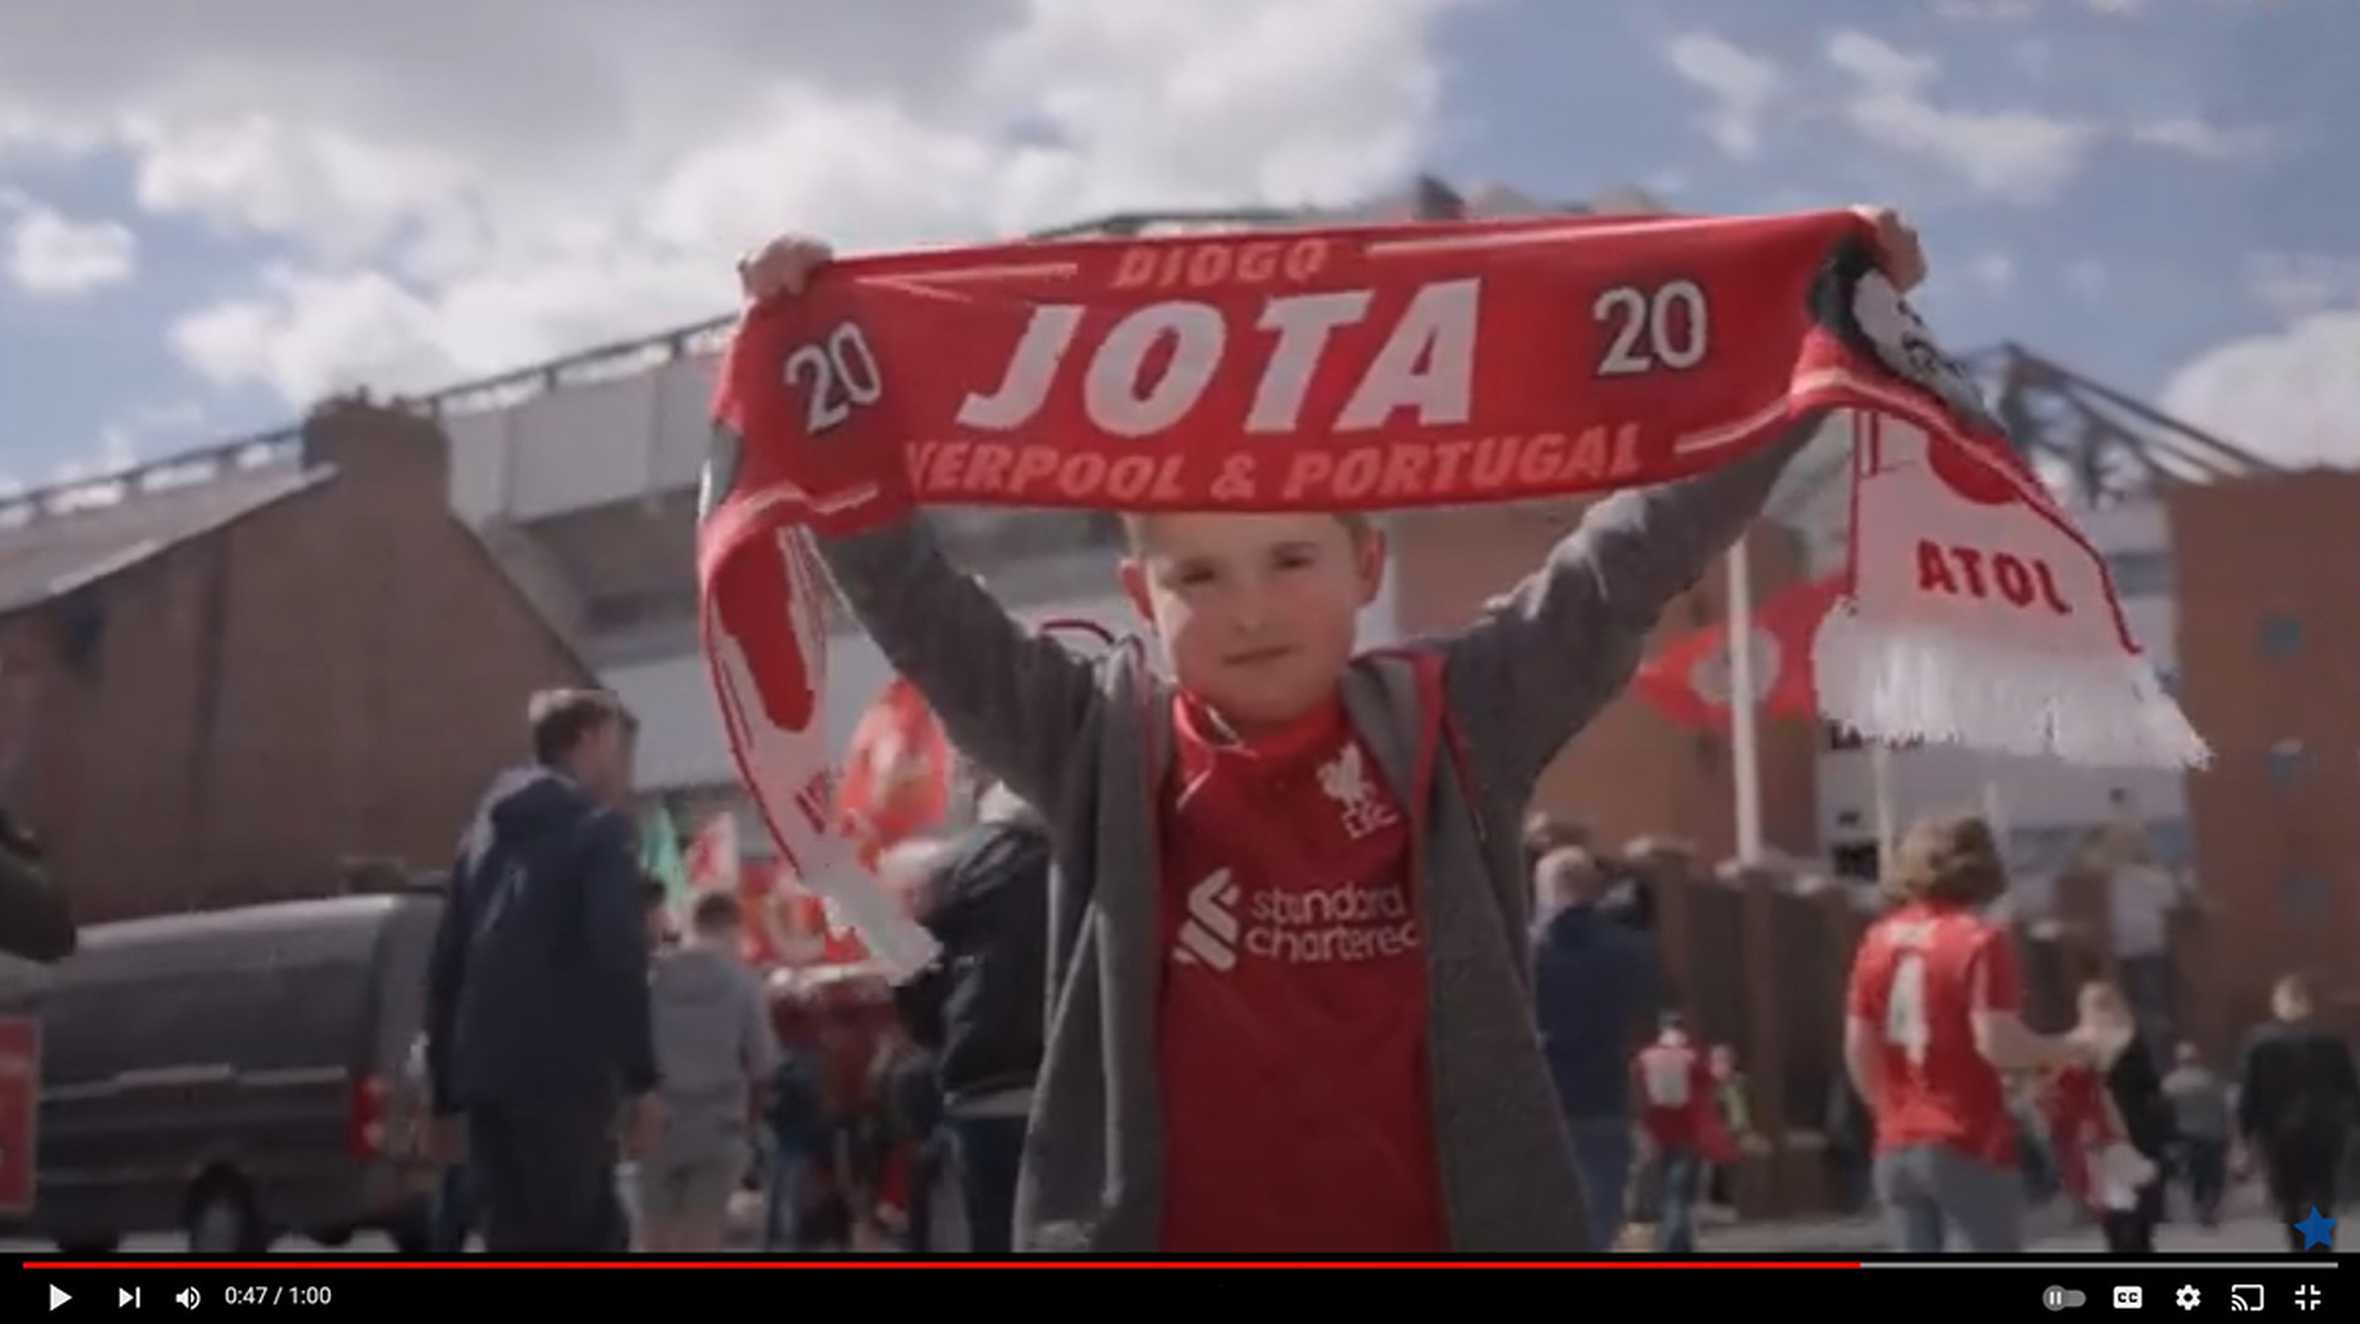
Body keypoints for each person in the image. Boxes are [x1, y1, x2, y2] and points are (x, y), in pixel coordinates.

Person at [736, 210, 1926, 1253]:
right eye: (1197, 572)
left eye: (1290, 557)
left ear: (1365, 564)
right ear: (1141, 599)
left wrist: (1807, 333)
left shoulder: (1459, 713)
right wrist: (813, 363)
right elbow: (921, 607)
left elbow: (1631, 557)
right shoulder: (1093, 741)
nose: (1248, 605)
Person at [426, 687, 661, 1254]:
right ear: (585, 742)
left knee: (512, 1239)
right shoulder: (598, 832)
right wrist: (642, 1079)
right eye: (616, 747)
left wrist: (443, 1094)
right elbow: (617, 957)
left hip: (488, 1082)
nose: (622, 766)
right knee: (586, 1237)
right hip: (566, 1081)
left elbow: (447, 964)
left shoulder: (482, 840)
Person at [1844, 814, 2090, 1253]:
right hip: (1968, 1138)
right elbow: (1996, 1042)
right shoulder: (1979, 940)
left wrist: (1888, 1110)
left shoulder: (1876, 942)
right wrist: (2069, 1047)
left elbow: (1859, 1047)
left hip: (1897, 1142)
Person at [902, 778, 1052, 1254]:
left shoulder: (952, 868)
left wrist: (940, 1040)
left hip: (984, 1086)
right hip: (1083, 1088)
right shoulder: (1105, 848)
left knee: (994, 1232)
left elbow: (915, 982)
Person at [1530, 844, 1661, 1251]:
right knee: (1600, 1217)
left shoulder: (1523, 950)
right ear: (1594, 890)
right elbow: (1645, 1026)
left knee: (1539, 1218)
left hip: (1541, 1102)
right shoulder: (1629, 951)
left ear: (1542, 892)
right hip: (1605, 1099)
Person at [641, 892, 781, 1252]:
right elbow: (763, 1063)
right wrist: (750, 1124)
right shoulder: (743, 983)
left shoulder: (654, 978)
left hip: (659, 1126)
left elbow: (631, 1050)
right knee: (702, 1236)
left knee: (655, 1234)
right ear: (734, 928)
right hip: (720, 1126)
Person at [2237, 974, 2360, 1251]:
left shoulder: (2260, 1044)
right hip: (2324, 1132)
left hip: (2279, 1135)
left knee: (2289, 1196)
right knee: (2320, 1193)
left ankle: (2298, 1246)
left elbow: (2249, 1096)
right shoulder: (2331, 1041)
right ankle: (2319, 1245)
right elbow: (2350, 1089)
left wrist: (2246, 1137)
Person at [2046, 981, 2170, 1252]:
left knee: (2118, 1220)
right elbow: (2153, 1091)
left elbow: (2060, 1097)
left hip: (2102, 1138)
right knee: (2136, 1221)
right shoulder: (2130, 1041)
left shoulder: (2074, 1044)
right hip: (2128, 1135)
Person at [1634, 1011, 1716, 1252]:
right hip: (1686, 1130)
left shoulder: (1646, 1056)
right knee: (1679, 1192)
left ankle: (1677, 1240)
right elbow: (1707, 1086)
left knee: (1665, 1189)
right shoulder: (1691, 1056)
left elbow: (1637, 1091)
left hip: (1656, 1129)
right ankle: (1674, 1243)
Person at [2161, 1040, 2232, 1228]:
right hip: (2212, 1135)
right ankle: (2210, 1205)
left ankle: (2200, 1205)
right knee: (2214, 1174)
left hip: (2185, 1136)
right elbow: (2223, 1109)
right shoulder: (2211, 1079)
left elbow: (2164, 1114)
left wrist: (2167, 1139)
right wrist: (2227, 1133)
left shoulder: (2169, 1084)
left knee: (2193, 1174)